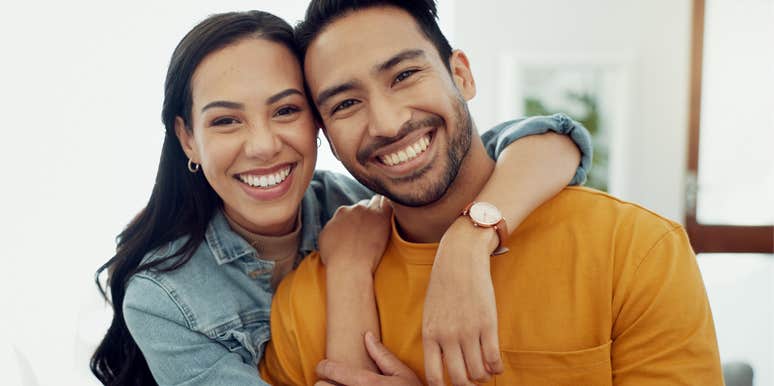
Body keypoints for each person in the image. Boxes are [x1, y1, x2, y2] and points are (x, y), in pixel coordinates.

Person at [89, 10, 593, 386]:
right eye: (226, 120)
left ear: (320, 123)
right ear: (187, 139)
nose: (263, 144)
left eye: (286, 110)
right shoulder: (164, 298)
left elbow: (544, 139)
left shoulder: (364, 196)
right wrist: (349, 270)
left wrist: (469, 239)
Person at [259, 1, 725, 385]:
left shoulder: (636, 251)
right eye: (345, 104)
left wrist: (470, 238)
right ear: (326, 136)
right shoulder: (309, 301)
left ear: (461, 75)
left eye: (404, 75)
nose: (387, 123)